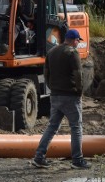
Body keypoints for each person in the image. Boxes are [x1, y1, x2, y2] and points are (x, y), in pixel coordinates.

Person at [31, 28, 89, 170]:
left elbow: (46, 74)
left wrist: (52, 88)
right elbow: (78, 75)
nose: (77, 44)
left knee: (52, 127)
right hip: (70, 95)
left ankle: (39, 156)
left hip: (55, 95)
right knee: (76, 127)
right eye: (77, 41)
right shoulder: (72, 53)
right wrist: (79, 91)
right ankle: (77, 159)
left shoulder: (51, 52)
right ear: (74, 40)